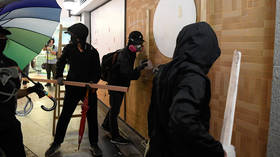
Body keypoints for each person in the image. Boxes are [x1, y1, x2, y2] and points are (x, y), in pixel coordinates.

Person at [145, 22, 226, 157]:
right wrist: (216, 150)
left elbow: (152, 116)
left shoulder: (164, 70)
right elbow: (183, 120)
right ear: (207, 49)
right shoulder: (193, 76)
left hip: (157, 150)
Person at [45, 23, 102, 157]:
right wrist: (58, 75)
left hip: (88, 89)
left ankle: (94, 144)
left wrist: (93, 82)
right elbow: (61, 62)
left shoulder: (93, 52)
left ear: (78, 37)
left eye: (71, 36)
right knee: (65, 115)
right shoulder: (69, 49)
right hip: (72, 88)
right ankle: (56, 143)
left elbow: (97, 71)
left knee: (92, 117)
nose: (70, 38)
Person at [0, 26, 45, 157]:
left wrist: (31, 90)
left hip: (9, 124)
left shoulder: (11, 64)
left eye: (3, 38)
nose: (1, 40)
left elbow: (12, 94)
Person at [101, 31, 148, 144]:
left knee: (114, 107)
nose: (140, 46)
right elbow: (127, 73)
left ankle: (106, 125)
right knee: (115, 110)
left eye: (141, 44)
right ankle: (115, 136)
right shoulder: (125, 55)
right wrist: (139, 69)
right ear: (131, 43)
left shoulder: (130, 53)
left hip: (119, 84)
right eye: (138, 44)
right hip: (116, 85)